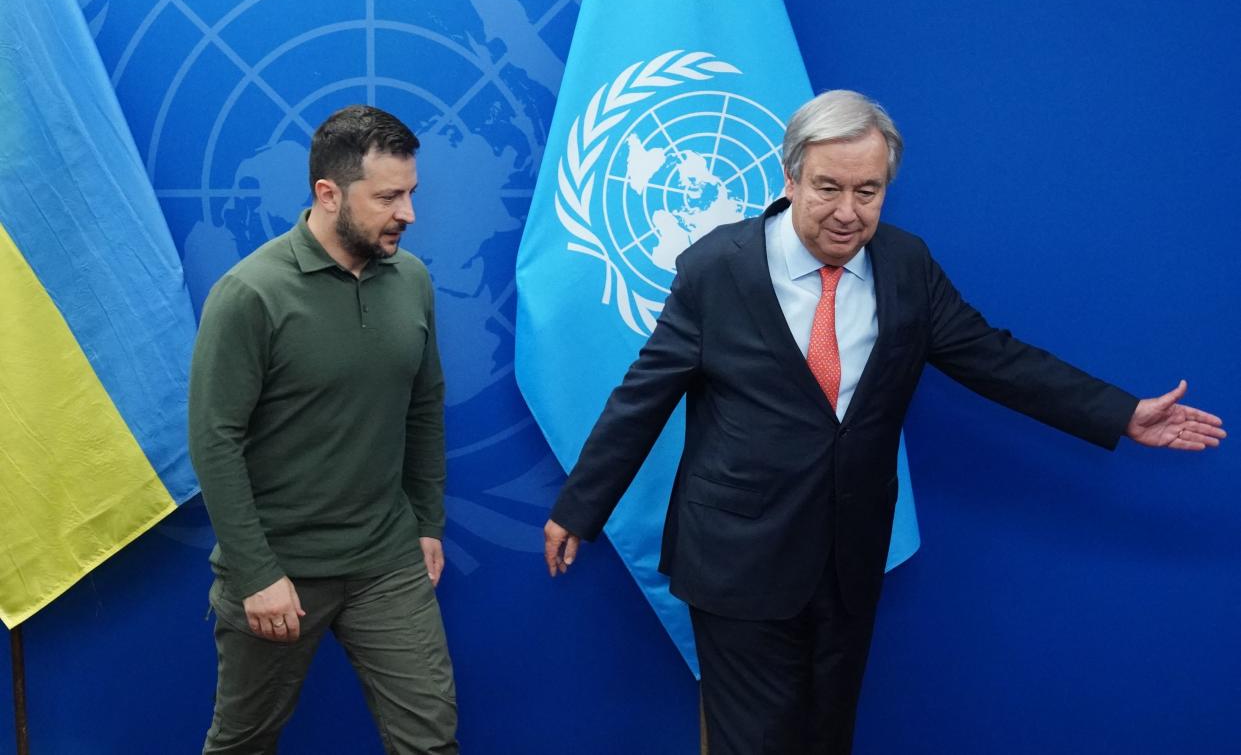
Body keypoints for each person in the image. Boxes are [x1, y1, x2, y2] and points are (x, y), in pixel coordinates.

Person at [542, 90, 1226, 755]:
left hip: (848, 555)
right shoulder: (715, 267)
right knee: (755, 741)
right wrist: (579, 507)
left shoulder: (905, 265)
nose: (846, 212)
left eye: (866, 191)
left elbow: (993, 358)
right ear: (790, 178)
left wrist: (1119, 412)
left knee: (825, 735)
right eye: (828, 187)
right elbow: (644, 395)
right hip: (736, 558)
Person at [189, 105, 457, 754]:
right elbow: (213, 439)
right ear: (328, 194)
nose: (408, 214)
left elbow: (423, 405)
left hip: (385, 561)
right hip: (281, 567)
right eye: (388, 197)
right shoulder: (250, 293)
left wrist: (426, 521)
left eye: (411, 194)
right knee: (243, 742)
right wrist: (256, 574)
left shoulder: (412, 280)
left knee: (431, 741)